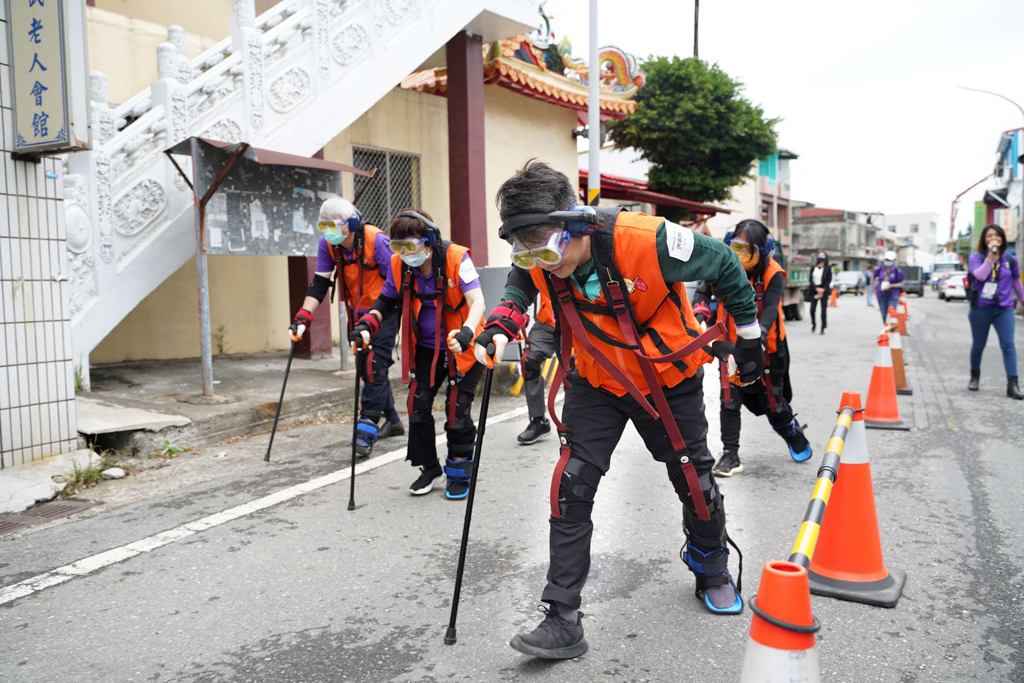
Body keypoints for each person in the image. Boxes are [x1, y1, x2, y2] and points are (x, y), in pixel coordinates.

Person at [474, 161, 763, 660]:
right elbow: (524, 285)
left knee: (693, 476)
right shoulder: (540, 258)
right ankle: (562, 617)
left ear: (577, 223)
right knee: (572, 483)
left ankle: (711, 563)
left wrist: (751, 337)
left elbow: (724, 263)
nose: (542, 262)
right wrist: (502, 321)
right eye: (527, 253)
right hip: (596, 378)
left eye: (547, 249)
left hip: (665, 379)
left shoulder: (647, 239)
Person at [350, 209, 486, 499]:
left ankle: (460, 468)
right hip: (426, 348)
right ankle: (429, 467)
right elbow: (385, 302)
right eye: (397, 246)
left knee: (456, 409)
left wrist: (467, 332)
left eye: (409, 245)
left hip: (462, 344)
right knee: (417, 404)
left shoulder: (456, 258)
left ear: (429, 240)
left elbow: (478, 301)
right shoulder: (400, 265)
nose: (403, 253)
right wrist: (366, 325)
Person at [692, 219, 812, 478]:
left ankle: (790, 430)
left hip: (768, 348)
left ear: (763, 250)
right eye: (736, 246)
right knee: (729, 401)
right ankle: (730, 455)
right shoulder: (721, 264)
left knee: (774, 405)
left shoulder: (773, 273)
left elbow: (769, 308)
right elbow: (702, 293)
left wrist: (757, 338)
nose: (740, 255)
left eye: (748, 249)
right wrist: (699, 316)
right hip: (731, 347)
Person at [289, 198, 403, 459]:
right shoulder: (329, 245)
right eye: (323, 225)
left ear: (351, 224)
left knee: (374, 365)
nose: (327, 230)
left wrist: (381, 314)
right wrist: (303, 317)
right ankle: (394, 421)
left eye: (333, 225)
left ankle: (366, 430)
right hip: (356, 315)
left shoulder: (377, 240)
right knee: (367, 367)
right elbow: (319, 285)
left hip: (383, 313)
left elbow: (396, 283)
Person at [966, 224, 1024, 399]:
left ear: (1002, 239)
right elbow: (981, 276)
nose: (994, 238)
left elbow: (1016, 282)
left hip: (1004, 309)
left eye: (997, 235)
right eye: (990, 235)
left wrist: (1023, 300)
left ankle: (1012, 385)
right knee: (978, 345)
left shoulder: (1010, 260)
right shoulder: (976, 257)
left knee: (1008, 346)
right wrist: (990, 258)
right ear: (984, 239)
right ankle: (974, 377)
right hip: (980, 309)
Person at [517, 296, 556, 444]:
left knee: (572, 371)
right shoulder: (537, 271)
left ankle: (573, 424)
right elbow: (523, 289)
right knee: (529, 362)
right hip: (546, 323)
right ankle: (539, 421)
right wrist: (521, 315)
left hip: (573, 320)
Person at [873, 250, 904, 322]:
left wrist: (891, 285)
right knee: (884, 314)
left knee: (891, 311)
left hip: (893, 294)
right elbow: (874, 279)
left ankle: (892, 329)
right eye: (886, 260)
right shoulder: (879, 270)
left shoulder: (897, 271)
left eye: (890, 260)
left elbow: (901, 283)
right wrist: (874, 289)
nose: (888, 262)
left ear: (894, 260)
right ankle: (886, 329)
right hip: (881, 294)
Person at [806, 251, 832, 334]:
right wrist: (816, 288)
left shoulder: (828, 268)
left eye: (822, 256)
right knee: (812, 310)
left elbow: (829, 279)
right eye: (819, 256)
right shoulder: (813, 267)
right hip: (814, 290)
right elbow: (810, 279)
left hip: (824, 290)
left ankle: (823, 327)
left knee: (823, 310)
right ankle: (813, 323)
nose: (821, 257)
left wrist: (823, 289)